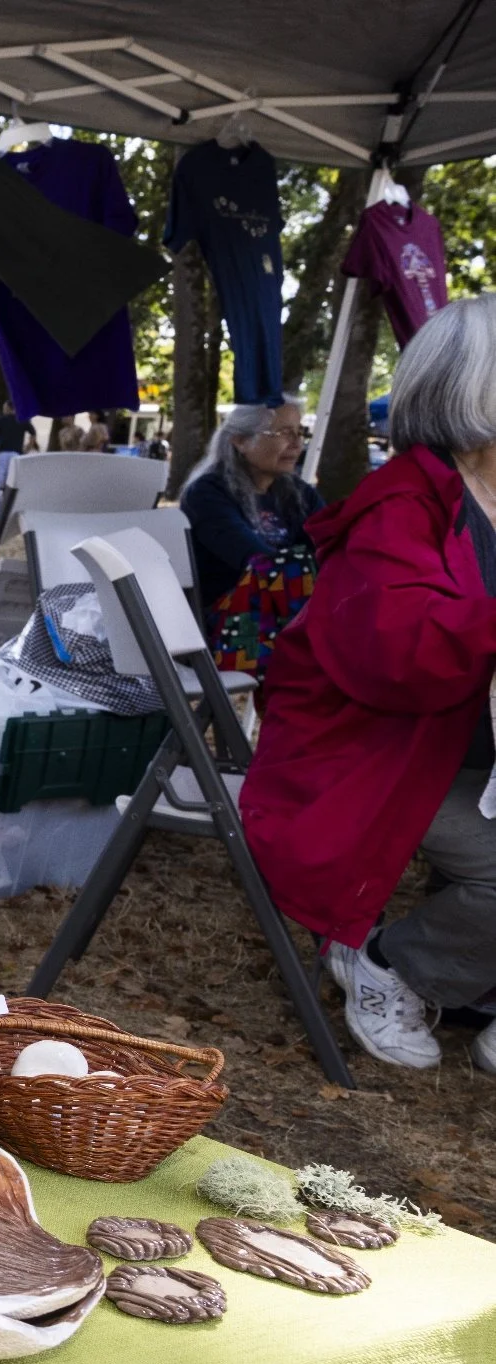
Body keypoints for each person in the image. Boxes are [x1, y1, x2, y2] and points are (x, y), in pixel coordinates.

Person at [241, 297, 496, 1070]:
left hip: (462, 749)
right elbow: (404, 655)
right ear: (474, 390)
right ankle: (395, 963)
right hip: (376, 759)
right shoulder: (402, 508)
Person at [179, 401, 327, 671]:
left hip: (286, 617)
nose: (296, 443)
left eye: (299, 432)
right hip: (228, 626)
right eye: (283, 432)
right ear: (240, 440)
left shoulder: (297, 493)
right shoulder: (207, 493)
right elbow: (253, 559)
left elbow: (330, 545)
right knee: (292, 570)